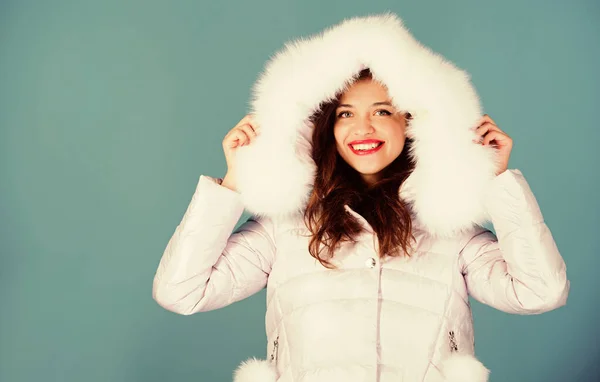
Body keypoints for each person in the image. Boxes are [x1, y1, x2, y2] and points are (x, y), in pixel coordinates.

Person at [152, 13, 569, 382]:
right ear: (323, 128)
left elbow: (539, 292)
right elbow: (182, 291)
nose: (363, 127)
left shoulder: (450, 230)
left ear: (414, 123)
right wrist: (235, 181)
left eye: (383, 111)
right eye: (346, 114)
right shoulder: (283, 229)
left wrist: (498, 181)